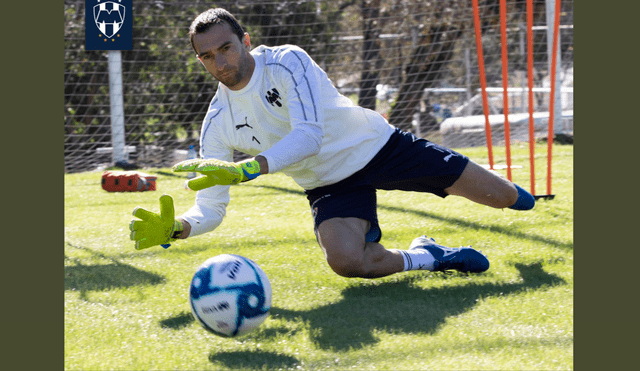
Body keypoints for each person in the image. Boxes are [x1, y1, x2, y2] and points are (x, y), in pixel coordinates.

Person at [129, 8, 535, 278]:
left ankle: (506, 195)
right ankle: (429, 256)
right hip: (328, 183)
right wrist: (180, 226)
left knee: (508, 198)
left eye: (226, 48)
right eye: (207, 56)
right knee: (345, 262)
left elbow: (309, 135)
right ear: (199, 60)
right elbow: (211, 207)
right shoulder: (217, 124)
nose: (220, 62)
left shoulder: (288, 61)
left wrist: (248, 168)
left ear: (245, 40)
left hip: (379, 147)